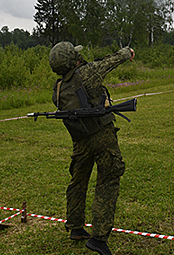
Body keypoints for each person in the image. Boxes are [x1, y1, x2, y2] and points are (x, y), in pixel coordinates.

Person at [49, 41, 135, 255]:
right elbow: (111, 61)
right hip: (101, 135)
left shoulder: (58, 88)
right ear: (74, 60)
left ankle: (75, 227)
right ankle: (98, 237)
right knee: (108, 178)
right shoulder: (87, 73)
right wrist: (127, 52)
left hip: (79, 140)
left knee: (78, 181)